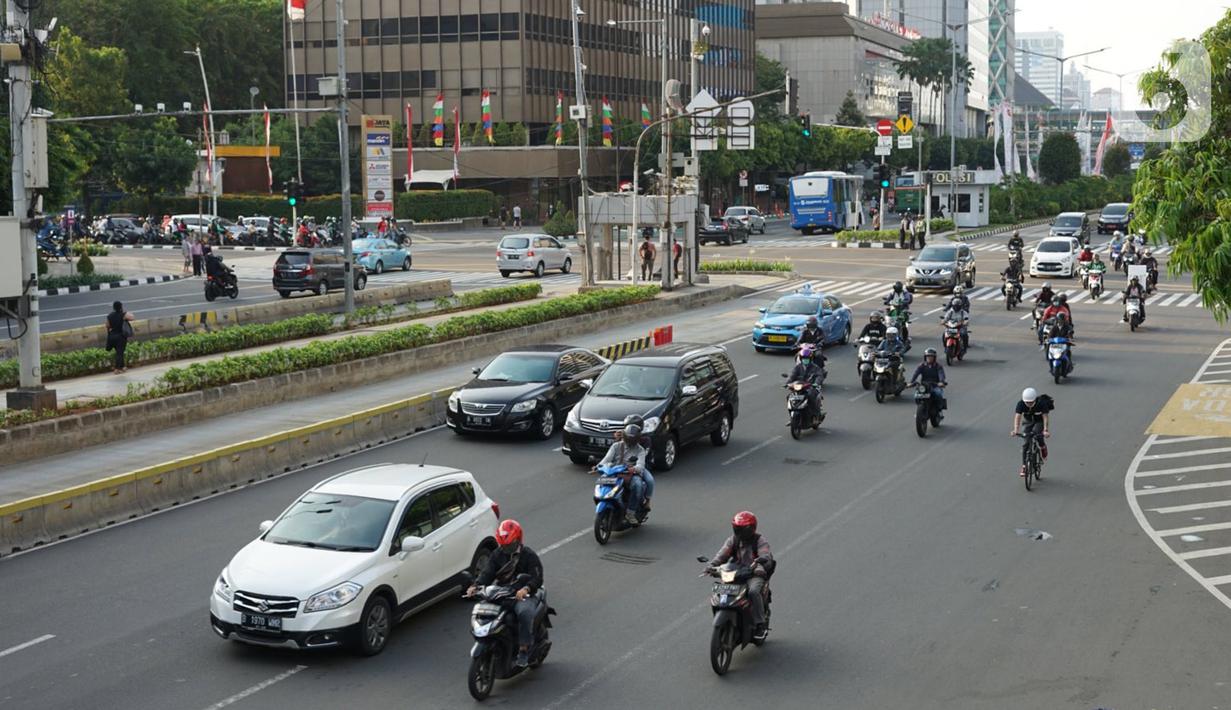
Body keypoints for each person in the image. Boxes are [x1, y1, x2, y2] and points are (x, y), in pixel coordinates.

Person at [467, 520, 544, 668]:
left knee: (524, 612)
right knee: (483, 610)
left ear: (517, 540)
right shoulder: (497, 554)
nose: (506, 548)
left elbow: (537, 578)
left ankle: (523, 648)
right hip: (502, 592)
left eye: (509, 545)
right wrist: (476, 586)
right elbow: (487, 573)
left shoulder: (528, 555)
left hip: (523, 594)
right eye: (504, 545)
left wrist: (526, 588)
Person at [707, 511, 773, 641]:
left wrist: (761, 563)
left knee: (753, 591)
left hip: (754, 573)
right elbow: (722, 554)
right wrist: (712, 565)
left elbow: (765, 555)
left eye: (742, 529)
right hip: (736, 573)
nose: (739, 532)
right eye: (737, 528)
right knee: (720, 591)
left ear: (751, 528)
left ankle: (759, 624)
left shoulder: (759, 541)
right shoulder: (733, 540)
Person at [596, 415, 654, 523]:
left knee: (639, 484)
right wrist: (598, 466)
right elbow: (607, 459)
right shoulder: (616, 445)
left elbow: (641, 464)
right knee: (602, 479)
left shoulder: (641, 448)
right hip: (616, 470)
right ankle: (605, 499)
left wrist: (635, 469)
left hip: (630, 472)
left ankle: (631, 512)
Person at [1011, 387, 1053, 477]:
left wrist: (1045, 430)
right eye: (1027, 402)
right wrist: (1015, 430)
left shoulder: (1041, 403)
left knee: (1037, 435)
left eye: (1031, 402)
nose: (1029, 404)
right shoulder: (1021, 404)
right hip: (1028, 422)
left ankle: (1042, 447)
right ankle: (1024, 466)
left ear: (1035, 399)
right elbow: (1017, 417)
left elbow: (1045, 417)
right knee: (1025, 443)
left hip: (1039, 421)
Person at [787, 345, 825, 420]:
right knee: (789, 397)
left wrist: (816, 383)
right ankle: (792, 417)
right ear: (801, 359)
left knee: (811, 396)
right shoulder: (798, 367)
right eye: (804, 358)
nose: (805, 360)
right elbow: (792, 376)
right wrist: (788, 383)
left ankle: (815, 414)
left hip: (810, 387)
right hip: (800, 386)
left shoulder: (815, 367)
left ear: (810, 359)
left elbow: (819, 376)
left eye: (807, 358)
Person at [909, 347, 947, 415]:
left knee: (938, 394)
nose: (929, 358)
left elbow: (941, 374)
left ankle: (939, 409)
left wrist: (941, 382)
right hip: (924, 385)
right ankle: (920, 409)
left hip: (935, 385)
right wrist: (911, 382)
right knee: (916, 395)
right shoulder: (922, 365)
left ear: (934, 357)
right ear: (925, 357)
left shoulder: (938, 366)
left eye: (931, 356)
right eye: (928, 356)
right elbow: (916, 373)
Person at [104, 301, 134, 374]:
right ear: (121, 307)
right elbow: (132, 318)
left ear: (113, 307)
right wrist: (125, 312)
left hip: (112, 336)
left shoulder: (110, 315)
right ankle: (117, 368)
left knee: (119, 351)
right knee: (119, 353)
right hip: (120, 336)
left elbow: (107, 325)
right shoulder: (123, 314)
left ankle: (123, 367)